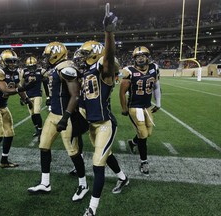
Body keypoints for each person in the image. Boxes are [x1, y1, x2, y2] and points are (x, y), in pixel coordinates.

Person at [73, 5, 129, 216]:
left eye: (85, 54)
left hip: (105, 123)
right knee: (107, 154)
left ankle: (92, 209)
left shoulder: (103, 70)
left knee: (98, 163)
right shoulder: (87, 72)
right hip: (92, 124)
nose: (81, 57)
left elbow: (109, 58)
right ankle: (123, 177)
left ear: (96, 55)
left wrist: (109, 33)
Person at [27, 42, 89, 202]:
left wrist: (66, 117)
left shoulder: (66, 68)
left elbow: (75, 95)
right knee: (44, 146)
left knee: (73, 152)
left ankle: (84, 184)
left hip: (64, 116)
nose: (46, 58)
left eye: (48, 55)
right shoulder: (58, 68)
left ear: (56, 54)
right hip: (53, 115)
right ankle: (45, 183)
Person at [0, 49, 32, 180]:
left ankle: (4, 161)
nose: (12, 64)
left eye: (14, 61)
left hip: (3, 107)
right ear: (3, 61)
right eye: (9, 61)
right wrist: (24, 87)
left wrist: (26, 99)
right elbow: (5, 89)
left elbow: (17, 86)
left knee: (9, 133)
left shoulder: (16, 73)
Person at [119, 46, 161, 176]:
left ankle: (132, 142)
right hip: (134, 107)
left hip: (147, 106)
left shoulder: (154, 68)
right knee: (143, 135)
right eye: (138, 56)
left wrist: (158, 103)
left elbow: (157, 86)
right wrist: (124, 108)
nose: (140, 58)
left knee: (148, 133)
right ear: (134, 59)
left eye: (143, 56)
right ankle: (144, 162)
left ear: (148, 57)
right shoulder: (129, 71)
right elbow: (122, 92)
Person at [20, 56, 49, 142]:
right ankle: (37, 129)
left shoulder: (41, 71)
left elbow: (46, 85)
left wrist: (48, 97)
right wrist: (22, 97)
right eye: (30, 67)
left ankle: (40, 131)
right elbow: (21, 85)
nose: (31, 68)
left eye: (33, 66)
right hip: (28, 96)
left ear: (36, 65)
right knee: (32, 114)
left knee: (36, 112)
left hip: (37, 95)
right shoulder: (24, 72)